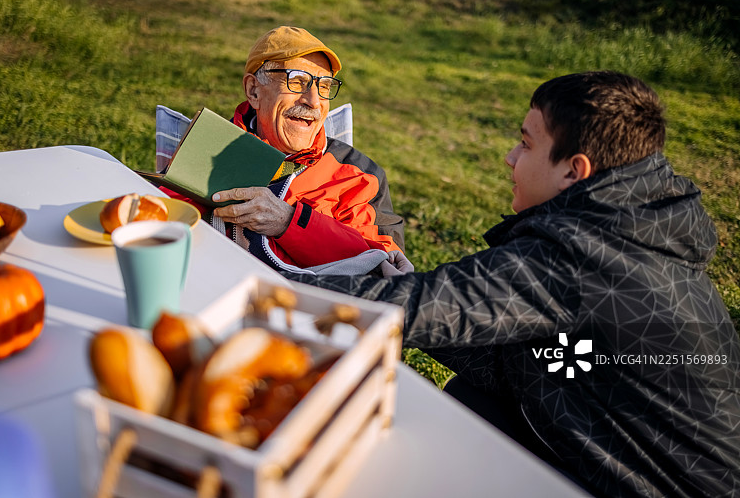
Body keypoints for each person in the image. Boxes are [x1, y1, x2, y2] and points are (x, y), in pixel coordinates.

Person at [288, 71, 740, 497]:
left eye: (525, 144)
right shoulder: (628, 226)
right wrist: (416, 289)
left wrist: (259, 287)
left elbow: (413, 310)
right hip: (643, 457)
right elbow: (538, 361)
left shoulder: (579, 256)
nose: (510, 157)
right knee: (470, 402)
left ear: (573, 171)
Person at [178, 26, 404, 274]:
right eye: (297, 82)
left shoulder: (357, 174)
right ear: (254, 90)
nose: (314, 101)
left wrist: (287, 221)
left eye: (325, 86)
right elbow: (158, 223)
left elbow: (382, 266)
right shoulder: (211, 147)